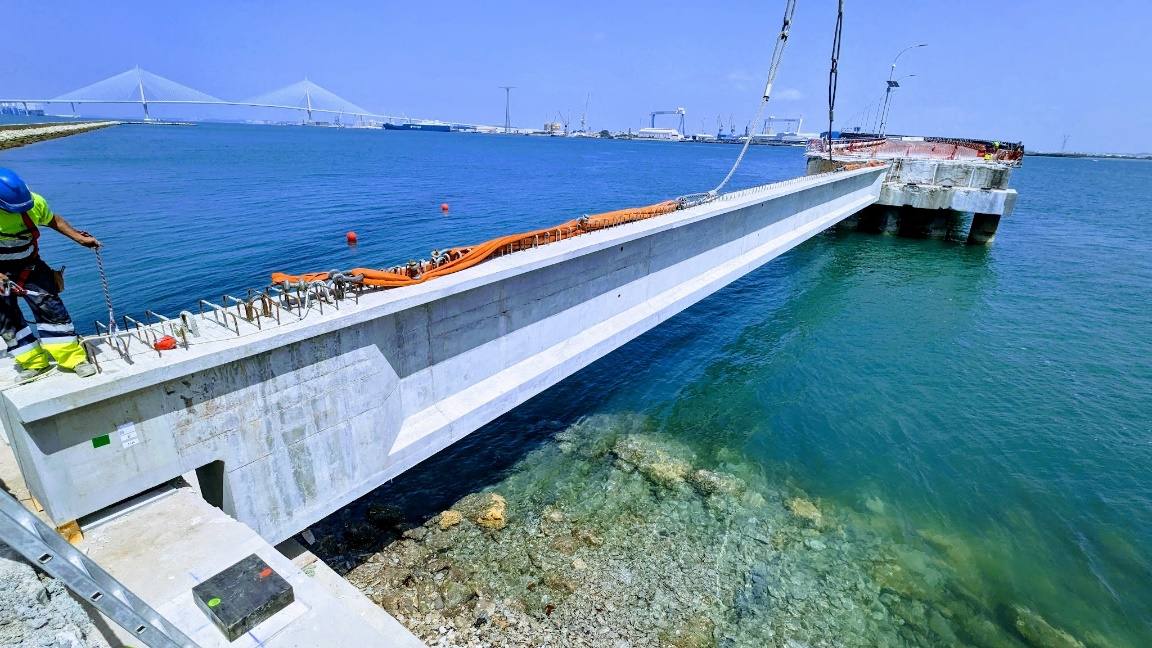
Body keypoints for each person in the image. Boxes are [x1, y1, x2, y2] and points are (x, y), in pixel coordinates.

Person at [0, 167, 99, 379]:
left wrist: (79, 238)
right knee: (7, 319)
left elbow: (53, 220)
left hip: (30, 266)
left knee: (52, 311)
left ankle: (73, 359)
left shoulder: (33, 203)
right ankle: (34, 362)